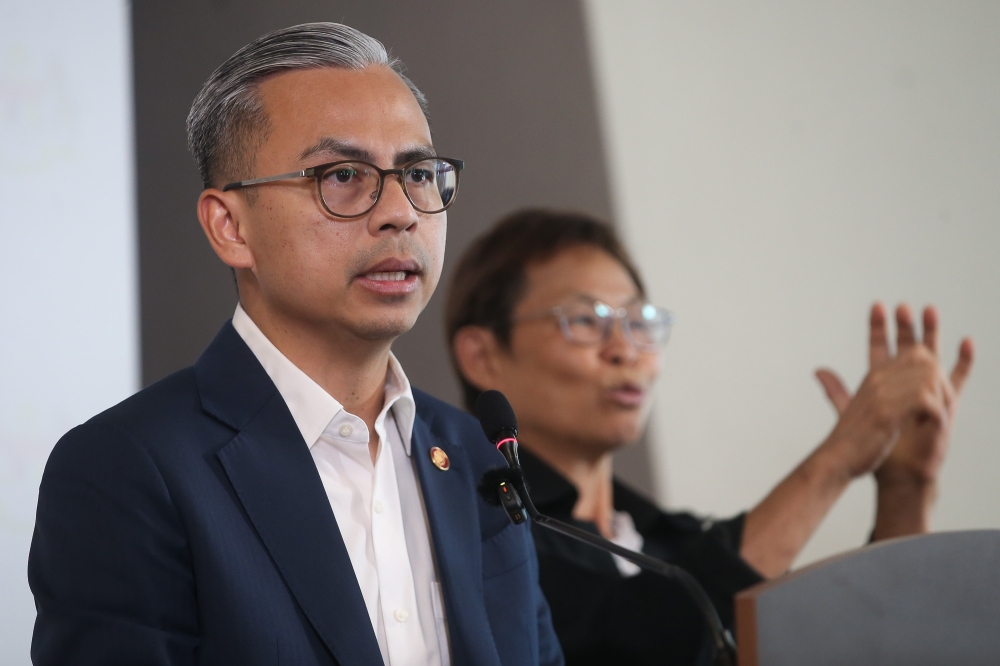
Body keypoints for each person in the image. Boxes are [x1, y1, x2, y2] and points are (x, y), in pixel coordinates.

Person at [29, 24, 562, 666]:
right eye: (342, 175)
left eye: (418, 173)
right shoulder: (128, 467)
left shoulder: (476, 456)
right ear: (230, 227)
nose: (400, 211)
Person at [446, 208, 974, 664]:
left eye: (639, 321)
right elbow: (639, 642)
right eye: (586, 320)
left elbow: (863, 648)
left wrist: (907, 486)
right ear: (483, 356)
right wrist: (837, 459)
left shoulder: (674, 541)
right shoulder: (479, 531)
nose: (626, 349)